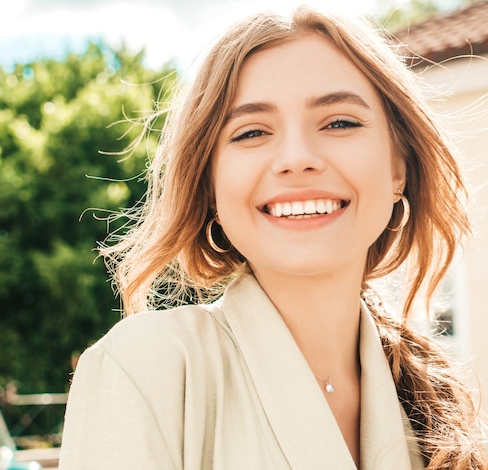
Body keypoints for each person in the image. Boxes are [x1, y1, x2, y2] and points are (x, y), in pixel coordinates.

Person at [58, 6, 488, 469]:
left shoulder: (436, 409)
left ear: (398, 168)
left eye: (340, 122)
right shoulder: (147, 369)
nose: (297, 158)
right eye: (252, 132)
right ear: (211, 186)